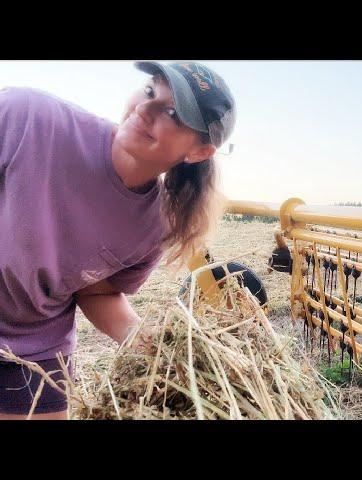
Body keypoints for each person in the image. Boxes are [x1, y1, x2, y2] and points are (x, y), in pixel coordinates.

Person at [0, 61, 236, 419]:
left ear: (199, 151)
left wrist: (152, 345)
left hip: (35, 349)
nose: (145, 108)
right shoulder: (28, 117)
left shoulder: (157, 225)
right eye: (150, 91)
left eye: (172, 112)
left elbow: (96, 289)